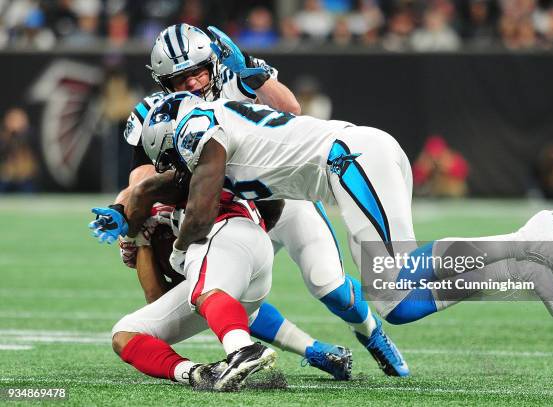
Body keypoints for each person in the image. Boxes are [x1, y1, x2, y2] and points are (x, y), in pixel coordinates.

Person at [90, 24, 407, 378]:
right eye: (180, 79)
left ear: (211, 63)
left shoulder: (232, 80)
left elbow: (292, 109)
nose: (193, 83)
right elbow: (143, 178)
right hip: (233, 211)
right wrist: (126, 211)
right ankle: (309, 348)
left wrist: (251, 74)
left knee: (330, 286)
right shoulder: (159, 113)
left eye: (197, 70)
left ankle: (371, 331)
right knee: (225, 289)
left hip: (282, 199)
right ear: (164, 83)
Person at [134, 88, 553, 329]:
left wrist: (180, 248)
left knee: (400, 272)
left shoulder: (198, 125)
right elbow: (261, 206)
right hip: (352, 165)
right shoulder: (220, 137)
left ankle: (527, 237)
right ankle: (519, 270)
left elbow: (201, 204)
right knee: (395, 304)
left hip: (349, 160)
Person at [111, 171, 278, 392]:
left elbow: (142, 188)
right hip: (241, 281)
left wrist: (133, 223)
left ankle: (243, 349)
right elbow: (157, 299)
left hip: (229, 234)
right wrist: (141, 240)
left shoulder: (190, 169)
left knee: (205, 292)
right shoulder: (156, 215)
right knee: (125, 333)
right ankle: (198, 373)